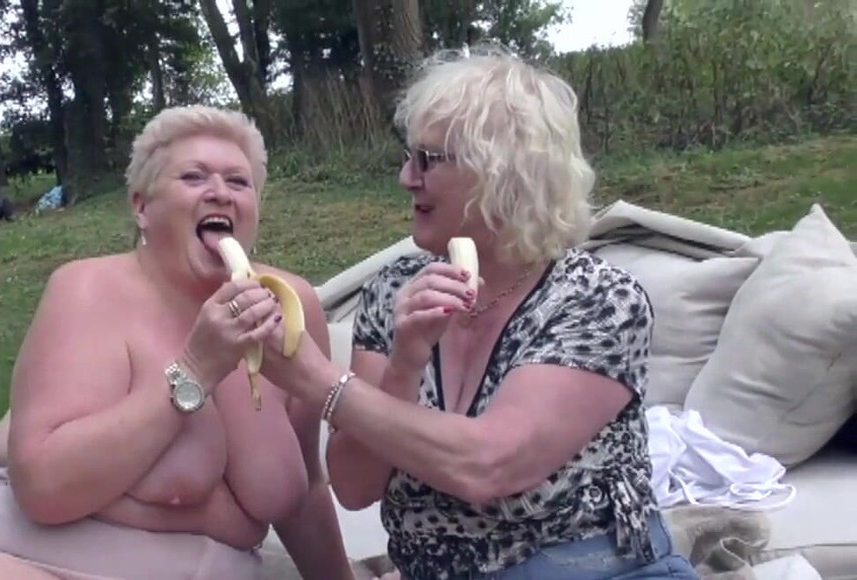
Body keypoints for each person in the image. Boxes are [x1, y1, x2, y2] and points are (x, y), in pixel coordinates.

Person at [251, 48, 702, 580]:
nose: (406, 178)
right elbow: (353, 486)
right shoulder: (393, 291)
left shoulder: (597, 300)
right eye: (408, 156)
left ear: (504, 172)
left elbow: (489, 466)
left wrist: (315, 379)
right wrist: (405, 363)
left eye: (427, 159)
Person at [0, 105, 356, 580]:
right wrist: (195, 371)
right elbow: (42, 488)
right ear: (141, 208)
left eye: (238, 182)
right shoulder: (88, 291)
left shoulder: (290, 306)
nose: (220, 192)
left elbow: (305, 490)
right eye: (194, 176)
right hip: (26, 557)